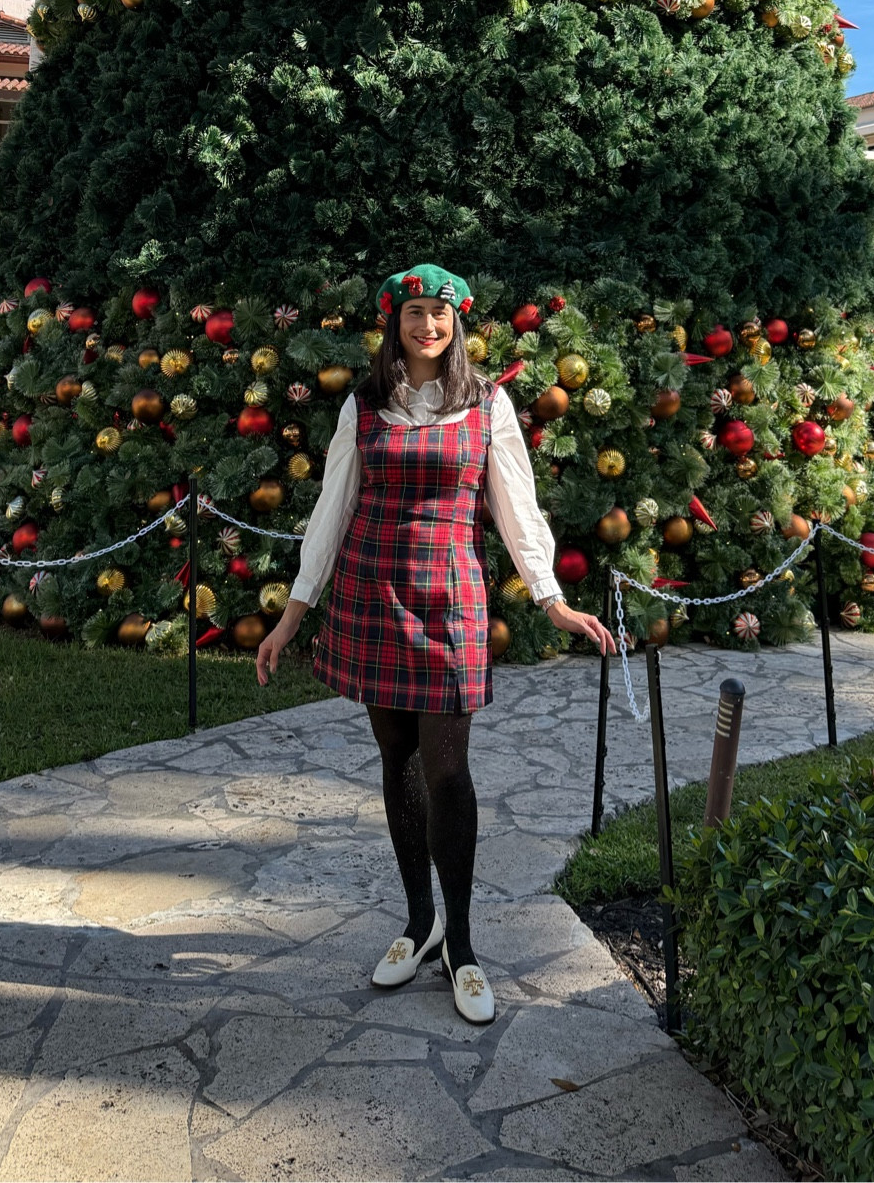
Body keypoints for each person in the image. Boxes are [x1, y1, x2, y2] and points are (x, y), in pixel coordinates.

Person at [256, 262, 615, 1025]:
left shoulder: (488, 403)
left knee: (448, 770)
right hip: (370, 594)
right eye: (415, 312)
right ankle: (420, 925)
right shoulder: (364, 405)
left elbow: (517, 507)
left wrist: (550, 598)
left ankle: (464, 946)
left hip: (450, 597)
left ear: (457, 323)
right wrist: (293, 614)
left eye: (440, 314)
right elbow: (331, 509)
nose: (428, 326)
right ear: (396, 321)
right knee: (398, 762)